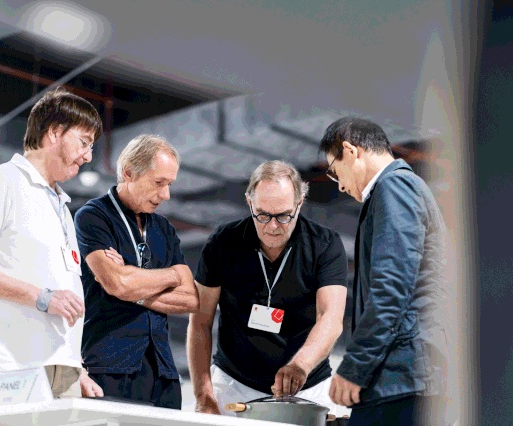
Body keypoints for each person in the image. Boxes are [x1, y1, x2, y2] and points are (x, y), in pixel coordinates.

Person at [0, 87, 104, 408]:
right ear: (54, 132)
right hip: (5, 363)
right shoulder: (2, 181)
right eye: (84, 142)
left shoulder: (61, 207)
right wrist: (42, 297)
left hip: (60, 371)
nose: (88, 156)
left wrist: (73, 364)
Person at [187, 160, 348, 416]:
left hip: (307, 385)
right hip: (233, 384)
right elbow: (199, 322)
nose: (272, 226)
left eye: (283, 216)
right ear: (249, 203)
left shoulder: (325, 245)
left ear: (300, 203)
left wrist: (301, 365)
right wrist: (203, 395)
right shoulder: (223, 243)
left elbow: (331, 317)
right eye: (262, 215)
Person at [320, 117, 452, 425]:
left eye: (335, 172)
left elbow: (391, 288)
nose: (340, 185)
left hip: (402, 381)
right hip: (401, 379)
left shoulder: (394, 187)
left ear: (350, 151)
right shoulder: (398, 189)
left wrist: (355, 367)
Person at [74, 134, 199, 409]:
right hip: (109, 367)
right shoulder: (93, 216)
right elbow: (118, 283)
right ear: (129, 173)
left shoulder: (164, 229)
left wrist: (135, 288)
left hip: (163, 372)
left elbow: (190, 299)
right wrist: (170, 276)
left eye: (169, 184)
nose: (165, 195)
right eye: (158, 183)